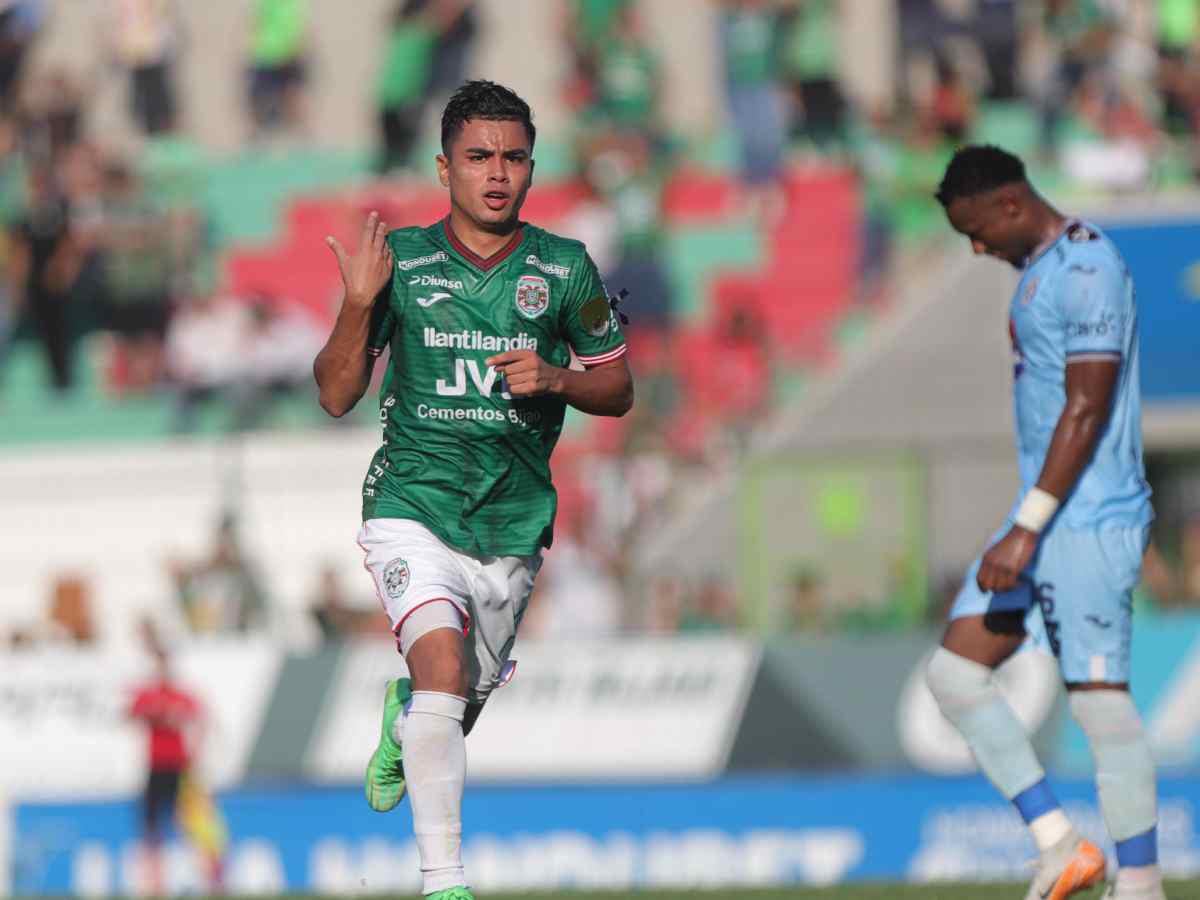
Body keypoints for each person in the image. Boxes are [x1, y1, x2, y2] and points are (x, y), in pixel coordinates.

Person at [313, 80, 633, 900]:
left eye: (514, 157)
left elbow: (618, 386)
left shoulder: (563, 269)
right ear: (444, 167)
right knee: (445, 671)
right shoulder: (404, 264)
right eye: (479, 157)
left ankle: (404, 712)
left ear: (532, 168)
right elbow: (336, 393)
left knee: (452, 703)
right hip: (412, 504)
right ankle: (444, 884)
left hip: (512, 522)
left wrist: (557, 377)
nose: (497, 173)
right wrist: (356, 307)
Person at [927, 145, 1162, 900]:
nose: (975, 247)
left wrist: (1026, 525)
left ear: (1009, 203)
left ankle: (1143, 886)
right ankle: (1059, 844)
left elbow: (1087, 407)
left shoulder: (1088, 268)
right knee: (956, 674)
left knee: (1099, 701)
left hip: (1089, 520)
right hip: (1045, 515)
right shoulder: (1037, 273)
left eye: (976, 230)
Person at [128, 635, 225, 895]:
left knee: (199, 823)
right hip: (156, 766)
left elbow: (202, 720)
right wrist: (161, 716)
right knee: (152, 825)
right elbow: (132, 715)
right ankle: (154, 883)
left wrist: (196, 749)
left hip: (181, 766)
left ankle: (214, 879)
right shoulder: (147, 695)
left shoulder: (182, 696)